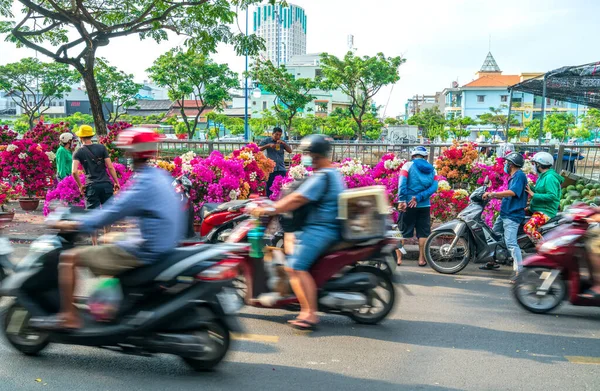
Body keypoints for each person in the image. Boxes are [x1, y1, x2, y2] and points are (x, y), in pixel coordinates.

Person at [32, 128, 184, 330]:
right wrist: (118, 183)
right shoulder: (161, 175)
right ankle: (109, 302)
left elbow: (107, 210)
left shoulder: (142, 182)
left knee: (69, 259)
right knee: (108, 237)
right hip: (162, 243)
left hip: (144, 248)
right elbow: (111, 171)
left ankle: (69, 316)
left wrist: (73, 223)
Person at [252, 134, 344, 331]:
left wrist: (271, 209)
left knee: (295, 266)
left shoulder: (322, 177)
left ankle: (309, 313)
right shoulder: (333, 172)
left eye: (307, 154)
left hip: (321, 229)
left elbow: (296, 199)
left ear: (315, 155)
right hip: (325, 227)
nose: (306, 158)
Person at [72, 125, 120, 245]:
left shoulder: (78, 152)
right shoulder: (101, 148)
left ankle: (95, 245)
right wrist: (116, 182)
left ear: (80, 137)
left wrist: (80, 185)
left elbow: (74, 171)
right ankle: (106, 242)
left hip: (91, 186)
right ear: (91, 136)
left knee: (92, 216)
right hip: (106, 185)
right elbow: (110, 166)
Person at [482, 152, 528, 276]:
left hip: (512, 215)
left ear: (511, 164)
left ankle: (520, 272)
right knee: (494, 236)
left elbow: (513, 192)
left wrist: (493, 194)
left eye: (507, 162)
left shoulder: (519, 176)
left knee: (511, 243)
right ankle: (492, 260)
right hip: (505, 213)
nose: (505, 164)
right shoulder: (513, 176)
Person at [396, 146, 438, 267]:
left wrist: (402, 200)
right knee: (423, 233)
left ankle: (398, 259)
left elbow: (402, 184)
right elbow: (434, 187)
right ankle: (421, 259)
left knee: (401, 232)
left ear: (413, 156)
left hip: (407, 204)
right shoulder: (433, 170)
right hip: (425, 205)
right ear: (425, 157)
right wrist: (419, 197)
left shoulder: (407, 166)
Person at [524, 152, 563, 243]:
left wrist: (533, 194)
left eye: (534, 164)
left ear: (539, 165)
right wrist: (528, 186)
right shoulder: (542, 177)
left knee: (528, 228)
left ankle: (544, 248)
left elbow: (552, 196)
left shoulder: (550, 178)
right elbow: (540, 191)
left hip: (545, 210)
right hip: (538, 207)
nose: (533, 166)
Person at [260, 127, 292, 197]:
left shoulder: (282, 141)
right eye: (276, 135)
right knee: (269, 189)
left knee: (282, 188)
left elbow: (290, 151)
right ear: (272, 134)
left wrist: (283, 144)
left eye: (280, 135)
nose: (278, 137)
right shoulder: (267, 140)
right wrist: (268, 145)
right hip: (271, 169)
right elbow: (258, 148)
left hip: (281, 168)